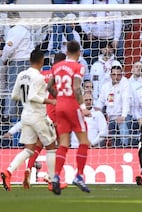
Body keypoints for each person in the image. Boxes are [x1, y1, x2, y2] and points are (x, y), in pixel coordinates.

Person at [1, 49, 57, 192]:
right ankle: (51, 180)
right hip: (38, 116)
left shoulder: (21, 74)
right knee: (51, 146)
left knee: (29, 150)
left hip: (26, 115)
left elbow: (14, 96)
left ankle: (8, 171)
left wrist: (25, 100)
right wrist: (50, 101)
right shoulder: (38, 77)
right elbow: (32, 96)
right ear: (41, 61)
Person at [47, 40, 91, 195]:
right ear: (78, 52)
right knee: (84, 141)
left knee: (63, 143)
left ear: (66, 52)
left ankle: (56, 176)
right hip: (72, 106)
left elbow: (49, 86)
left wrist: (58, 97)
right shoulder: (79, 66)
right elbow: (76, 87)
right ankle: (79, 175)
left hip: (59, 106)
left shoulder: (56, 66)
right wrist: (83, 107)